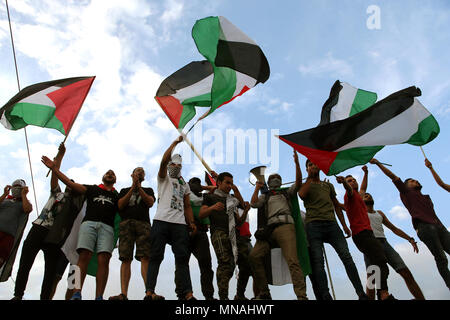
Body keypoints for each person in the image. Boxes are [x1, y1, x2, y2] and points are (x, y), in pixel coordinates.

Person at [42, 155, 119, 300]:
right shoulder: (76, 196)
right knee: (56, 277)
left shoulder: (88, 202)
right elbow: (67, 184)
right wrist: (54, 168)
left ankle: (75, 296)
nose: (70, 188)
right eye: (69, 186)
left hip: (79, 250)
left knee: (72, 281)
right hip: (66, 244)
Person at [13, 143, 84, 300]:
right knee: (38, 269)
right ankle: (18, 295)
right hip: (43, 229)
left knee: (64, 276)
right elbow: (55, 176)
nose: (69, 186)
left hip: (69, 244)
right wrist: (59, 157)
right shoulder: (57, 194)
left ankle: (68, 297)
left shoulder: (79, 204)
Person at [370, 158, 450, 290]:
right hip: (424, 227)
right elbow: (393, 176)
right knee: (441, 257)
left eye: (416, 180)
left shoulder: (426, 197)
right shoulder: (406, 192)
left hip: (439, 227)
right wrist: (378, 163)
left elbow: (441, 186)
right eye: (412, 181)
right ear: (406, 186)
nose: (416, 181)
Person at [299, 159, 367, 300]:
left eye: (314, 163)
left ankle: (360, 292)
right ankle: (325, 294)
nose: (313, 166)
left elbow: (336, 206)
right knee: (318, 261)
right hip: (313, 225)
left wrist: (344, 225)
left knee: (346, 257)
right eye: (310, 165)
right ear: (306, 169)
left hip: (332, 224)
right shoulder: (306, 184)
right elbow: (301, 195)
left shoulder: (328, 185)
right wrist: (310, 178)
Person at [249, 150, 307, 300]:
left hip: (285, 227)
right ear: (268, 183)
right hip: (269, 231)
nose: (275, 179)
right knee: (254, 256)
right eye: (272, 178)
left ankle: (301, 296)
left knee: (293, 261)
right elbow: (253, 203)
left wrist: (297, 164)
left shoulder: (287, 192)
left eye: (277, 178)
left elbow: (299, 183)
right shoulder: (265, 195)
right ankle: (264, 293)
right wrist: (257, 187)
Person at [144, 136, 196, 301]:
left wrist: (191, 222)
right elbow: (163, 161)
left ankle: (188, 294)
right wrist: (174, 143)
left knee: (182, 259)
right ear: (168, 165)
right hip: (161, 221)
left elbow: (187, 205)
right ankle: (149, 292)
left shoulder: (184, 184)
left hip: (179, 225)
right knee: (155, 257)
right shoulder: (163, 177)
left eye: (179, 165)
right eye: (173, 164)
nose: (176, 166)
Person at [336, 166, 395, 300]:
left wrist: (366, 173)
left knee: (374, 266)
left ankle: (377, 295)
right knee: (381, 262)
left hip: (366, 235)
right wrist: (344, 183)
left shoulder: (359, 196)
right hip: (362, 234)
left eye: (354, 180)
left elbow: (362, 188)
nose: (353, 181)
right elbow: (349, 189)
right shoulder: (349, 195)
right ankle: (384, 294)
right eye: (350, 180)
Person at [362, 192, 425, 300]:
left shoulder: (379, 213)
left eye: (369, 195)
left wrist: (409, 239)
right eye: (365, 195)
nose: (368, 195)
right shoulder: (360, 212)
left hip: (384, 243)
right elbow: (345, 205)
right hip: (370, 243)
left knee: (405, 271)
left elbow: (394, 228)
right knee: (372, 277)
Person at [199, 172, 250, 300]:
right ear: (219, 183)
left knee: (247, 263)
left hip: (235, 235)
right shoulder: (210, 198)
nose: (230, 186)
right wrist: (213, 208)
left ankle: (240, 295)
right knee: (225, 263)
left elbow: (239, 221)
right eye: (227, 183)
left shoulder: (232, 199)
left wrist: (246, 211)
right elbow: (201, 214)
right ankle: (223, 298)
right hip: (219, 232)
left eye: (231, 183)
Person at [109, 167, 155, 300]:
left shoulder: (148, 190)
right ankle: (124, 293)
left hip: (144, 224)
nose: (140, 172)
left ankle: (149, 292)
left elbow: (150, 202)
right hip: (126, 224)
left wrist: (138, 187)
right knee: (125, 258)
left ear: (144, 177)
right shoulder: (123, 191)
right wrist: (132, 187)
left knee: (145, 256)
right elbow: (120, 205)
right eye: (137, 171)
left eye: (142, 171)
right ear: (132, 175)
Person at [187, 177, 216, 300]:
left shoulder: (205, 197)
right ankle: (185, 294)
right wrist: (191, 186)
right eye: (194, 183)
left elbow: (215, 188)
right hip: (186, 230)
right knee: (182, 263)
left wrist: (202, 187)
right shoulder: (186, 193)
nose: (197, 185)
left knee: (206, 264)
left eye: (199, 183)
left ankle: (209, 296)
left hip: (202, 232)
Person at [0, 179, 32, 269]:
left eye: (19, 187)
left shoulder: (23, 203)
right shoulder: (5, 200)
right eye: (15, 186)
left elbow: (28, 209)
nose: (16, 188)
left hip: (8, 236)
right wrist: (5, 194)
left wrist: (24, 195)